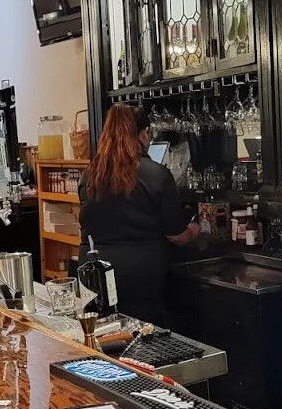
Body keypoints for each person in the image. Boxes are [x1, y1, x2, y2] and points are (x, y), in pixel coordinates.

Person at [78, 104, 199, 325]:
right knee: (143, 335)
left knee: (102, 333)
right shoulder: (157, 174)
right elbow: (176, 236)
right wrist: (195, 230)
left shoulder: (90, 175)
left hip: (92, 270)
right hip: (140, 274)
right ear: (144, 134)